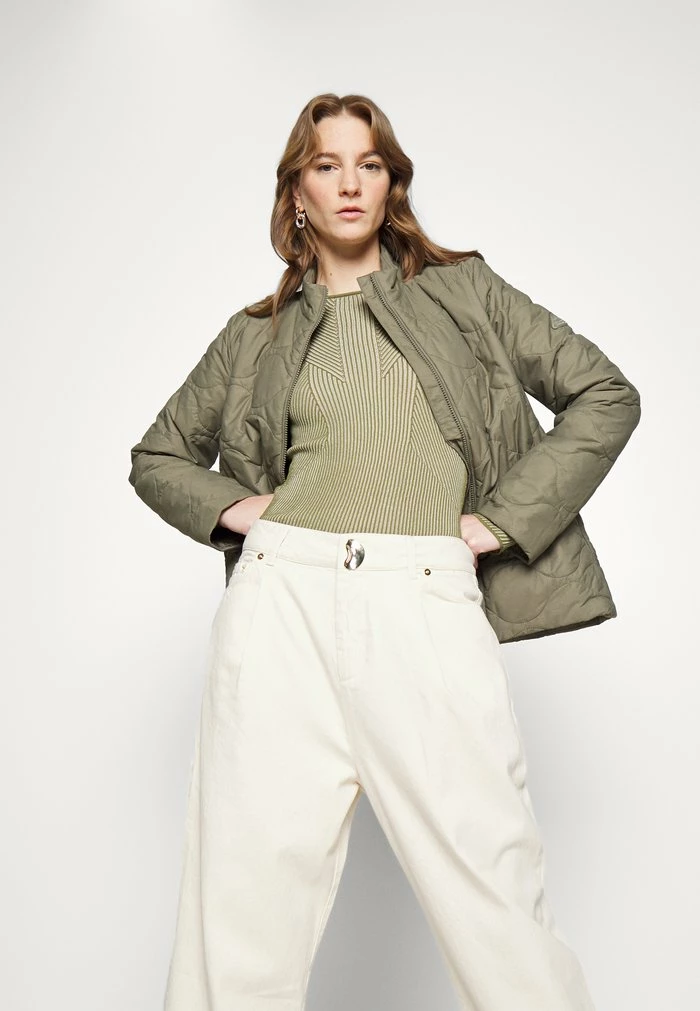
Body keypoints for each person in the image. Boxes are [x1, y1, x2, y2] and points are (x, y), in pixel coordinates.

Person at [128, 92, 641, 1011]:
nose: (350, 183)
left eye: (369, 164)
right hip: (281, 608)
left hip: (422, 598)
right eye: (326, 165)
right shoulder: (255, 334)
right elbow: (157, 456)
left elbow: (606, 393)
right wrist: (242, 510)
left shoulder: (464, 291)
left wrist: (497, 523)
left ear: (391, 183)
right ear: (297, 192)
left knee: (493, 894)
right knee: (239, 911)